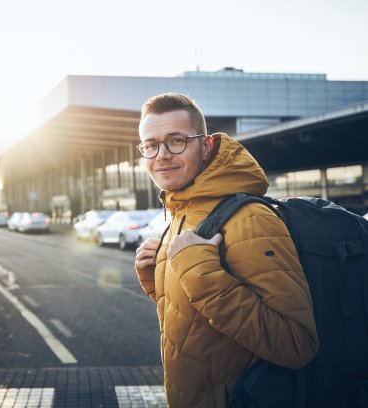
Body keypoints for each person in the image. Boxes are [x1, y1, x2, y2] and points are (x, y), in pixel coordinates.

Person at [134, 93, 319, 407]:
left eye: (176, 140)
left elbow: (296, 344)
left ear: (206, 146)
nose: (161, 155)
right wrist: (158, 277)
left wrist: (197, 271)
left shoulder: (250, 220)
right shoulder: (184, 210)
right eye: (151, 145)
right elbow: (199, 321)